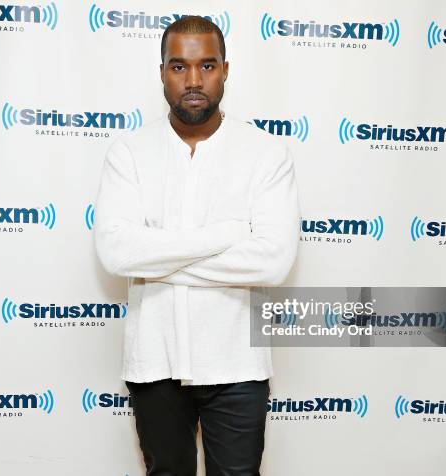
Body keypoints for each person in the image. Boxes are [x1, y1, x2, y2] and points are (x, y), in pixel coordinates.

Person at [94, 15, 300, 476]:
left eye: (206, 66)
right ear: (162, 71)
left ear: (226, 69)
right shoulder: (129, 151)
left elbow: (273, 261)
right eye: (179, 66)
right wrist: (228, 235)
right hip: (155, 362)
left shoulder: (265, 152)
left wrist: (158, 260)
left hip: (237, 365)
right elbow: (116, 252)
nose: (193, 80)